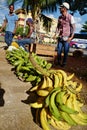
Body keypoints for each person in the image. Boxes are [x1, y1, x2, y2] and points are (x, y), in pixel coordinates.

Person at [54, 2, 75, 67]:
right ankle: (59, 61)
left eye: (61, 8)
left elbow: (74, 27)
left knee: (65, 52)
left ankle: (64, 63)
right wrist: (55, 34)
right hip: (60, 37)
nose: (60, 9)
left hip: (67, 38)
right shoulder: (60, 17)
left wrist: (71, 37)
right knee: (59, 51)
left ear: (65, 9)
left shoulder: (70, 17)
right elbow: (58, 26)